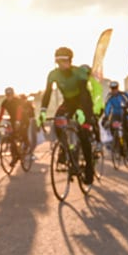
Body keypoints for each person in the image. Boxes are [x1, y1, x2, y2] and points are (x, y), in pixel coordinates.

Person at [39, 46, 98, 182]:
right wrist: (43, 110)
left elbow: (83, 93)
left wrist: (81, 110)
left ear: (70, 61)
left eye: (64, 61)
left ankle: (89, 168)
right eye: (58, 62)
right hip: (68, 102)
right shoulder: (53, 74)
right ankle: (67, 151)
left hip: (83, 102)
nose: (61, 65)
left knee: (83, 134)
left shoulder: (79, 72)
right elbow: (47, 93)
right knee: (57, 123)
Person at [0, 86, 35, 165]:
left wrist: (18, 121)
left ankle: (26, 145)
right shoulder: (5, 102)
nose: (9, 97)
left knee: (23, 134)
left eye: (10, 95)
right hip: (13, 120)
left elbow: (19, 111)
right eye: (7, 95)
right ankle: (15, 157)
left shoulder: (17, 100)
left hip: (23, 119)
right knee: (12, 139)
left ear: (13, 94)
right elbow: (1, 113)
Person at [101, 80, 128, 162]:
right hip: (115, 115)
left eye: (115, 88)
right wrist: (106, 116)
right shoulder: (109, 96)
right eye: (112, 89)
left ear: (118, 88)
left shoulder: (124, 95)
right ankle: (117, 144)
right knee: (112, 127)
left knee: (126, 133)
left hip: (124, 113)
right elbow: (107, 107)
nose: (114, 90)